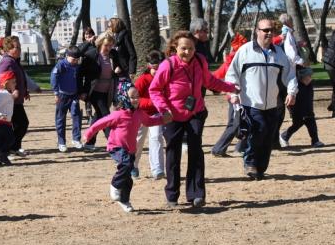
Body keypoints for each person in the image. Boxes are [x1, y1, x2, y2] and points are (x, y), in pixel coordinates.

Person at [150, 31, 238, 207]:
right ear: (175, 47)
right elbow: (155, 89)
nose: (187, 52)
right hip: (172, 115)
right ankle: (172, 195)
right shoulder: (168, 65)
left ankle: (196, 194)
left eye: (191, 48)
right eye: (183, 48)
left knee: (196, 150)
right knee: (173, 153)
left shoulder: (199, 61)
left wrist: (231, 87)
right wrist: (164, 109)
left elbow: (209, 81)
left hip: (195, 112)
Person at [225, 18, 297, 180]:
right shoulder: (245, 51)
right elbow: (232, 74)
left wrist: (292, 92)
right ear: (257, 31)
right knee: (259, 130)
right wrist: (234, 93)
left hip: (272, 103)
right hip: (250, 103)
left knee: (268, 136)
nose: (269, 33)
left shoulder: (279, 54)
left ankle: (260, 168)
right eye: (265, 30)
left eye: (271, 30)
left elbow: (290, 75)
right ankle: (250, 162)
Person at [84, 80, 168, 213]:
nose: (135, 99)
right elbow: (100, 123)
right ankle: (114, 186)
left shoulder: (139, 113)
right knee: (127, 164)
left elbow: (149, 121)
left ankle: (124, 200)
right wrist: (88, 134)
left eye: (137, 96)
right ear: (124, 97)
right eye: (132, 97)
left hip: (130, 149)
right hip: (116, 147)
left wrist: (163, 119)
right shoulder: (118, 114)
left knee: (128, 179)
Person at [79, 32, 120, 151]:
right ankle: (113, 143)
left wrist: (119, 70)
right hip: (94, 91)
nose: (109, 47)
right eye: (106, 45)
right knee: (106, 116)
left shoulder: (113, 55)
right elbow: (80, 74)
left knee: (98, 117)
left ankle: (88, 142)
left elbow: (122, 68)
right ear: (100, 43)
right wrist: (81, 91)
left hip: (108, 91)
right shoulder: (91, 55)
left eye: (111, 45)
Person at [211, 33, 248, 158]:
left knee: (243, 122)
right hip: (235, 97)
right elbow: (215, 76)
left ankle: (240, 147)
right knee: (235, 124)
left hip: (243, 96)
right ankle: (218, 148)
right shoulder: (233, 61)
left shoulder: (233, 60)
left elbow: (215, 75)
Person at [132, 50, 166, 180]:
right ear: (149, 66)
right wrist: (153, 102)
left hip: (157, 114)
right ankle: (133, 165)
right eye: (154, 68)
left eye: (159, 68)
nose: (157, 71)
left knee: (157, 137)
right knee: (138, 141)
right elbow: (135, 99)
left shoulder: (165, 79)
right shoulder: (142, 80)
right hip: (141, 114)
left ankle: (157, 168)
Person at [0, 36, 30, 156]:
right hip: (10, 100)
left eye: (20, 47)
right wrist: (10, 93)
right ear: (8, 48)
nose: (19, 49)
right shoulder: (7, 62)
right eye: (17, 47)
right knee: (21, 124)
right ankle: (6, 148)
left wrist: (24, 91)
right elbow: (2, 80)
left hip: (16, 100)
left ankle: (13, 148)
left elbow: (20, 79)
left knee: (19, 125)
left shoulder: (14, 61)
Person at [279, 67, 323, 148]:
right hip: (298, 112)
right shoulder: (295, 87)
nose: (310, 78)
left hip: (308, 111)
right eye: (308, 77)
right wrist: (292, 112)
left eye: (310, 77)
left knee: (312, 126)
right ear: (301, 78)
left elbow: (309, 99)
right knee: (296, 125)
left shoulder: (310, 86)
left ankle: (315, 141)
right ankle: (284, 136)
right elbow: (289, 102)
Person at [51, 46, 83, 152]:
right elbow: (54, 77)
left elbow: (78, 79)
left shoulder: (77, 66)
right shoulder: (61, 65)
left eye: (77, 60)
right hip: (62, 96)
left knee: (76, 115)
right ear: (67, 56)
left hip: (74, 95)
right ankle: (61, 142)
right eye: (73, 59)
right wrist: (56, 93)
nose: (75, 62)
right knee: (60, 118)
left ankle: (76, 139)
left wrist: (80, 92)